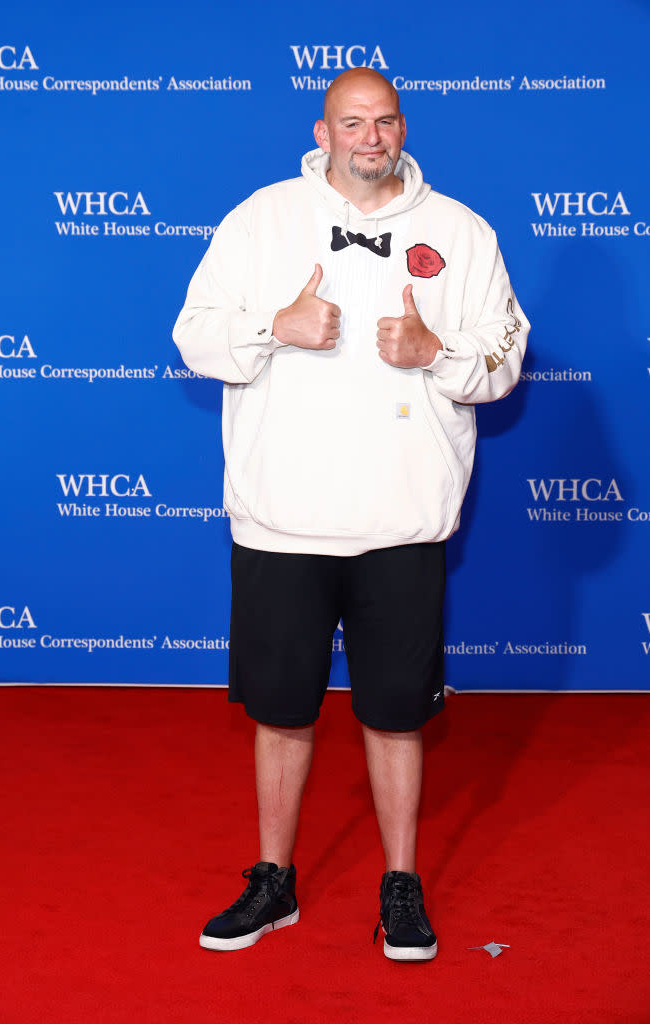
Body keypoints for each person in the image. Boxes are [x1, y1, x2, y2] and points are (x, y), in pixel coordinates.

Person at [173, 68, 528, 961]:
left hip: (401, 522)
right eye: (352, 123)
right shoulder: (260, 220)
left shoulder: (460, 232)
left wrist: (435, 350)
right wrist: (271, 327)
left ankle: (398, 883)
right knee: (282, 711)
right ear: (322, 130)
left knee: (396, 713)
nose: (371, 138)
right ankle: (273, 880)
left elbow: (502, 359)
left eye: (385, 121)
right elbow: (193, 335)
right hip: (282, 521)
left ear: (402, 128)